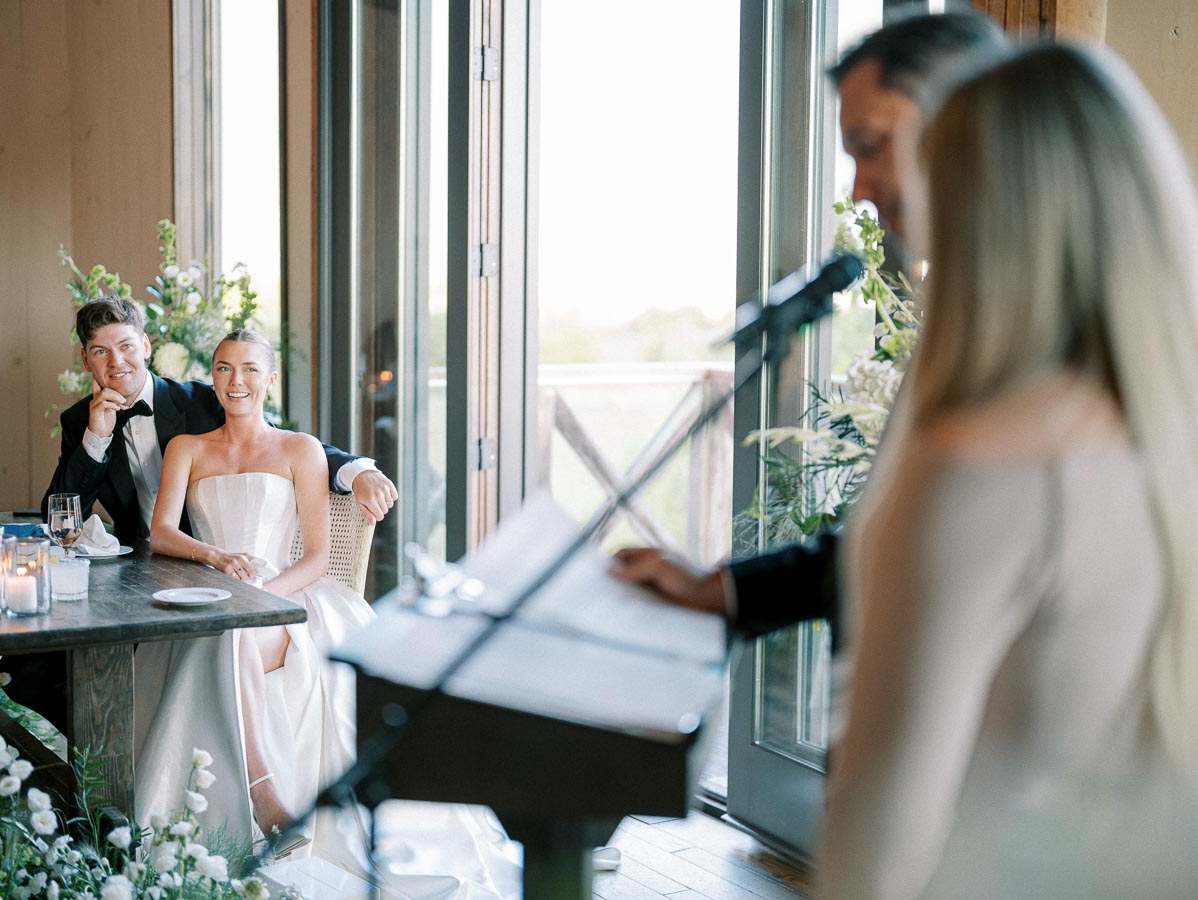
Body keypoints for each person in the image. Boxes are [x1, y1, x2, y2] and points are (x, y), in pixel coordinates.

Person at [817, 43, 1198, 898]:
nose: (885, 205)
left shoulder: (986, 469)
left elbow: (879, 841)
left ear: (982, 212)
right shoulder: (1166, 433)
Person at [611, 8, 1005, 644]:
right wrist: (717, 586)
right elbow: (894, 543)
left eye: (872, 148)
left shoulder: (1045, 327)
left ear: (964, 122)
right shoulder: (968, 305)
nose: (860, 191)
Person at [139, 330, 517, 894]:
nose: (235, 381)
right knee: (220, 631)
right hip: (216, 589)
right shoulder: (186, 448)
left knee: (239, 634)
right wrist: (214, 555)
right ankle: (249, 799)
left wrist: (266, 597)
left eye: (248, 369)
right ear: (212, 376)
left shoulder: (300, 449)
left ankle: (267, 798)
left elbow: (317, 557)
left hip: (291, 594)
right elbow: (162, 534)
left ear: (271, 379)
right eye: (222, 369)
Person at [1, 297, 399, 732]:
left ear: (147, 346)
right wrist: (96, 439)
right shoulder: (80, 420)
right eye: (101, 351)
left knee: (198, 659)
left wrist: (357, 470)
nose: (117, 362)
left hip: (225, 577)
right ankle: (101, 756)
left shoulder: (203, 400)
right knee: (27, 669)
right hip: (145, 573)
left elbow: (278, 444)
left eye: (127, 346)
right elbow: (60, 517)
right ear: (86, 359)